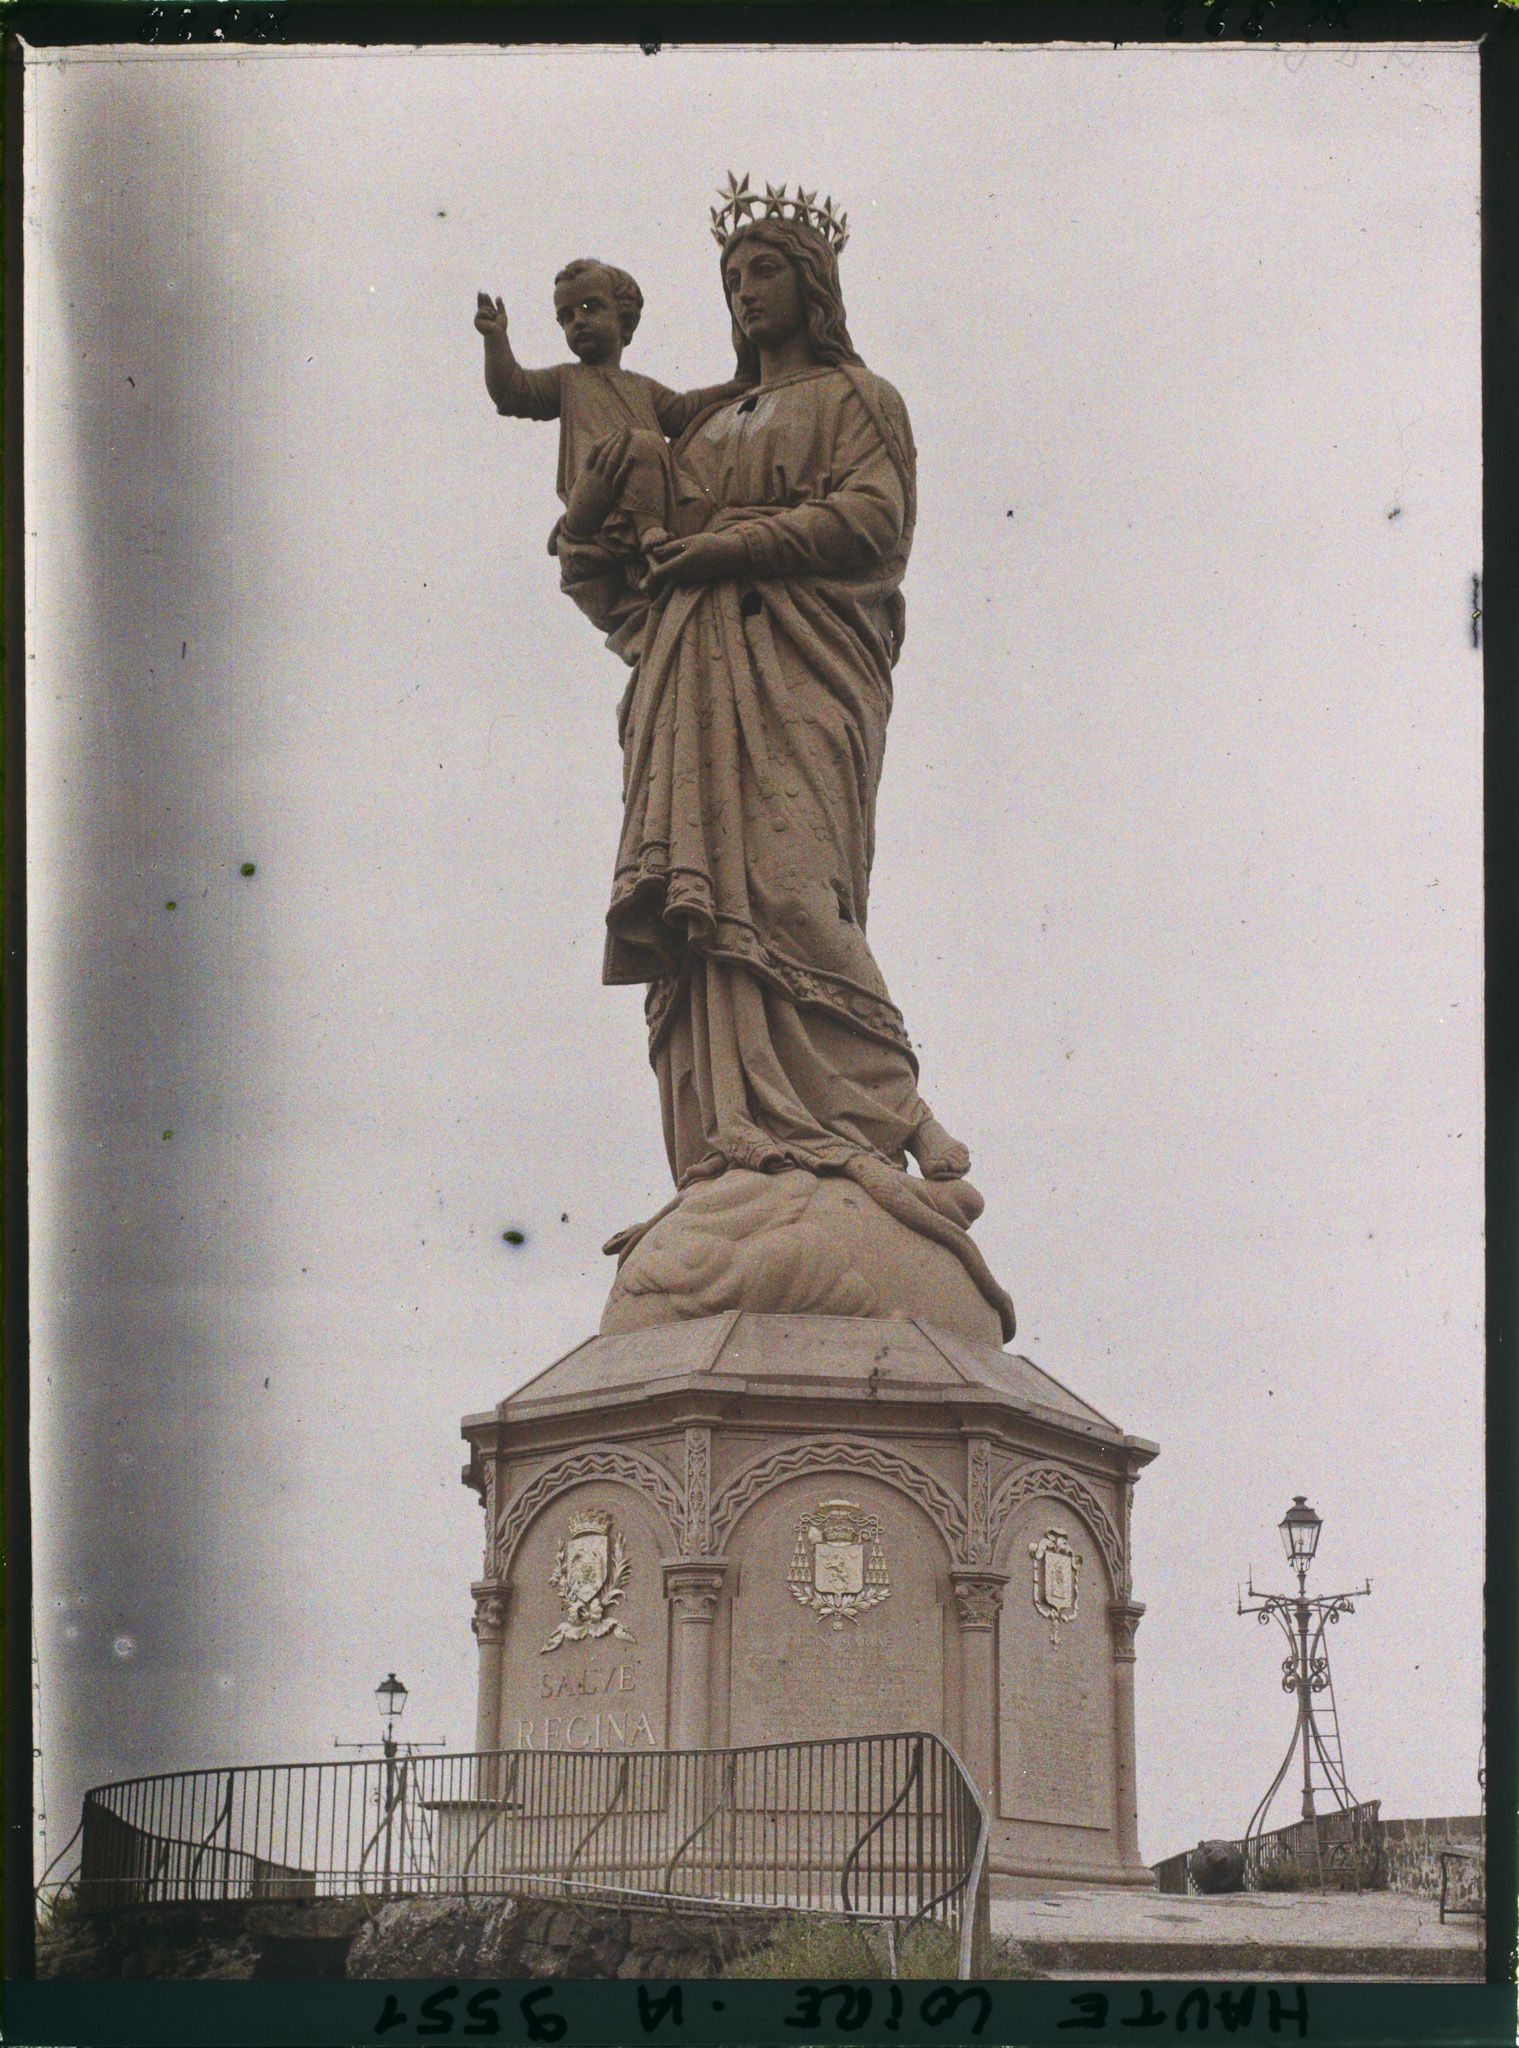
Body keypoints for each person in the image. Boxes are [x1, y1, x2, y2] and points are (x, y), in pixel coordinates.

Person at [552, 192, 1013, 1336]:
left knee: (795, 886)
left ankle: (900, 1123)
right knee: (710, 921)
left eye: (762, 272)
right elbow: (624, 577)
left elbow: (871, 523)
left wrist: (726, 547)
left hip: (804, 668)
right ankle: (739, 1141)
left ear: (810, 283)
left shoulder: (860, 400)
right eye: (733, 280)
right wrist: (596, 524)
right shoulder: (698, 428)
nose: (744, 295)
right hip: (689, 688)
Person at [474, 259, 739, 560]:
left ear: (624, 319)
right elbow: (512, 390)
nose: (577, 321)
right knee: (643, 442)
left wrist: (735, 387)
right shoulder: (567, 379)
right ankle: (644, 529)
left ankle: (648, 527)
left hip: (645, 485)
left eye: (589, 308)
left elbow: (684, 410)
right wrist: (495, 339)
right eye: (566, 316)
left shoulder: (641, 387)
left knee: (660, 458)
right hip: (597, 487)